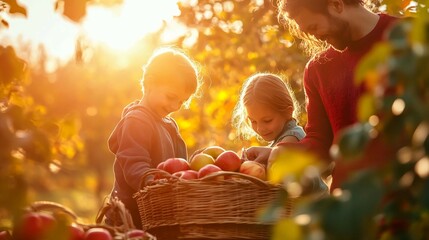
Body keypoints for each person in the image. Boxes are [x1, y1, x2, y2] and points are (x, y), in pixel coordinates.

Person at [263, 0, 401, 190]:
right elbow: (320, 143)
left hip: (407, 203)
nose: (317, 38)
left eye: (314, 27)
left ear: (336, 5)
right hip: (347, 208)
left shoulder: (407, 39)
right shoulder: (318, 70)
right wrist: (279, 152)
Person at [104, 47, 201, 228]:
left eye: (182, 101)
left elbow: (179, 166)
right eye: (171, 96)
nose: (175, 106)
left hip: (158, 217)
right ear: (149, 83)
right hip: (130, 219)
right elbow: (135, 167)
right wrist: (159, 184)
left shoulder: (169, 124)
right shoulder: (137, 121)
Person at [232, 73, 305, 163]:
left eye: (267, 121)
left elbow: (278, 158)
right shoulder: (278, 140)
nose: (260, 128)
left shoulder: (293, 137)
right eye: (253, 121)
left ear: (288, 112)